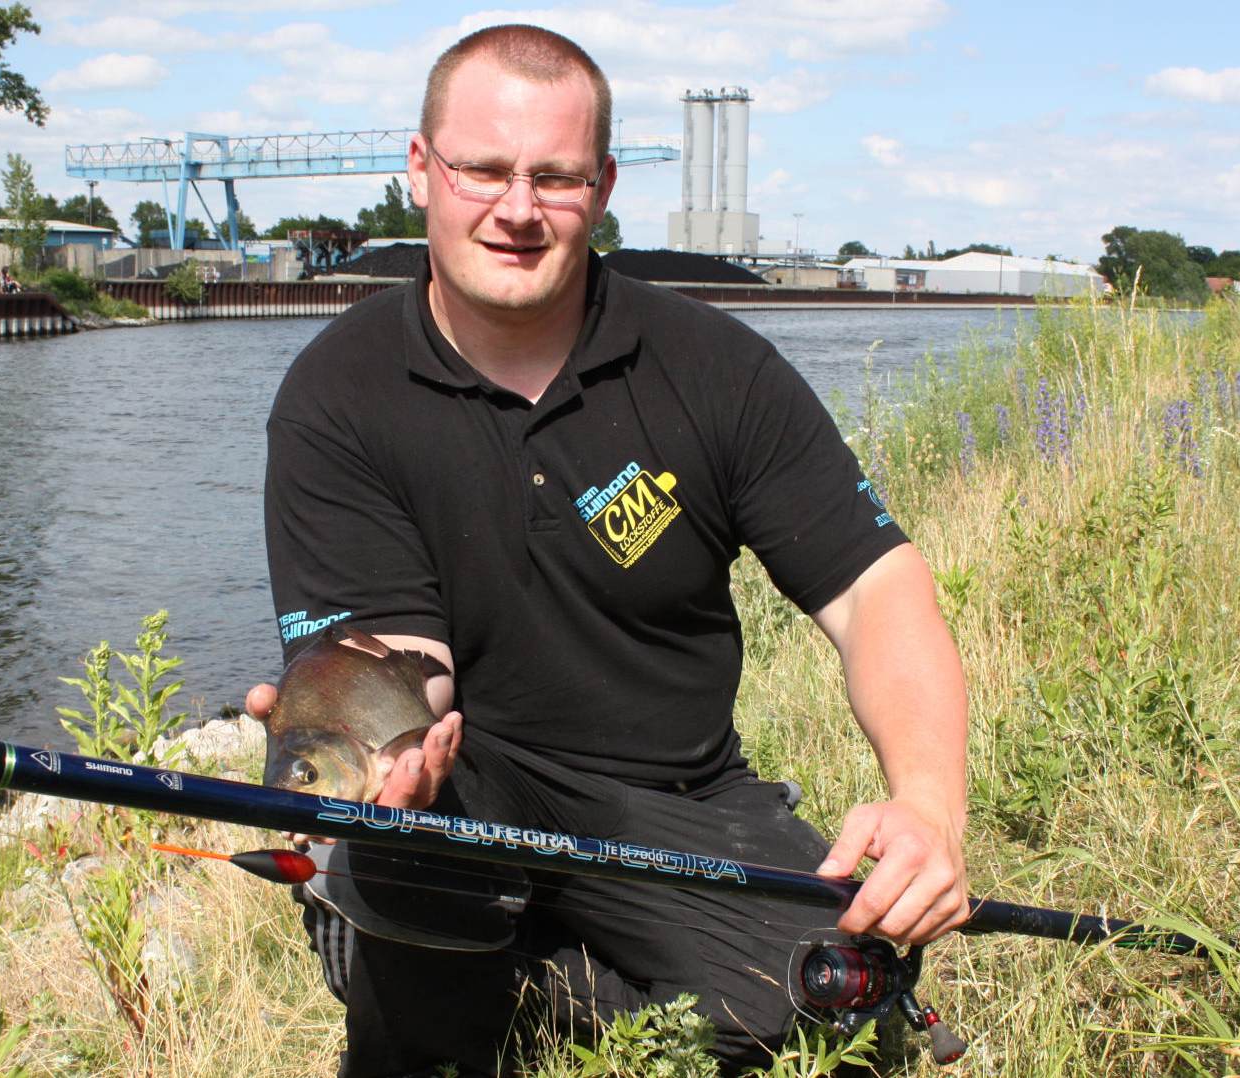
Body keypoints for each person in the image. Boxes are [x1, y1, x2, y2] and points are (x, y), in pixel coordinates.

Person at [245, 24, 969, 1077]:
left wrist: (929, 804)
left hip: (674, 800)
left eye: (558, 177)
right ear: (421, 172)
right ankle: (403, 942)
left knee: (825, 999)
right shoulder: (335, 397)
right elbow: (402, 656)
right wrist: (384, 752)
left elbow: (874, 589)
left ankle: (547, 981)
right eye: (482, 169)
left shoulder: (712, 365)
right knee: (425, 919)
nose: (518, 209)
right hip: (470, 786)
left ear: (605, 184)